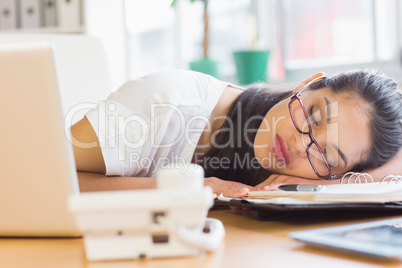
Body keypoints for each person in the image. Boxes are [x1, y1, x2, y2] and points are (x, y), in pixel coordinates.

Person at [70, 69, 402, 197]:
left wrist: (320, 181)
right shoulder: (167, 104)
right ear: (305, 84)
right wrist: (186, 189)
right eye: (313, 116)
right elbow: (40, 179)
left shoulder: (284, 175)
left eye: (326, 154)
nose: (300, 143)